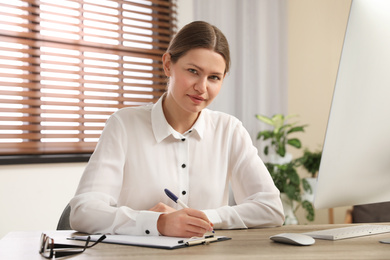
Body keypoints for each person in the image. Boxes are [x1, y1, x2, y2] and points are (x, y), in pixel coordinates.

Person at [69, 21, 284, 238]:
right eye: (193, 71)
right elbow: (83, 211)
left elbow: (271, 209)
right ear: (167, 64)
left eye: (214, 78)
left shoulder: (229, 130)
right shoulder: (123, 125)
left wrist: (201, 219)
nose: (202, 87)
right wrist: (158, 223)